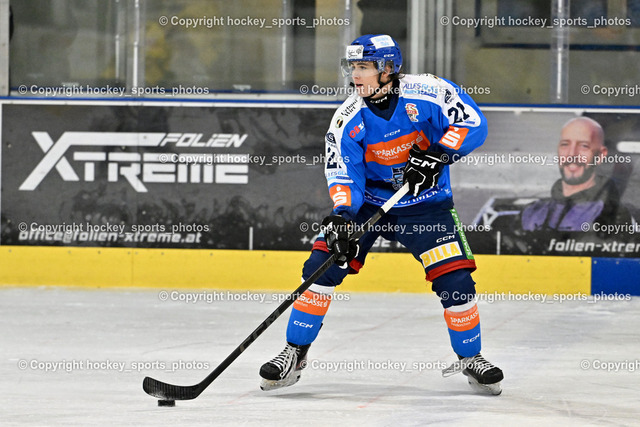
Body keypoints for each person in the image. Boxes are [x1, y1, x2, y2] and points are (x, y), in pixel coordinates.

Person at [259, 34, 503, 395]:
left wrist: (436, 155)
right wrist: (343, 215)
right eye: (352, 67)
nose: (355, 75)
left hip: (426, 203)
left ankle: (470, 357)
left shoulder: (430, 91)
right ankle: (294, 352)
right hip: (369, 204)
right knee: (322, 264)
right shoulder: (347, 118)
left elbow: (473, 123)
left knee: (456, 281)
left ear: (388, 69)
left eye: (364, 67)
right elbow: (343, 172)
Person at [521, 117, 633, 232]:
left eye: (583, 146)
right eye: (565, 144)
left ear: (600, 155)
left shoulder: (612, 216)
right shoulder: (531, 213)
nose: (572, 154)